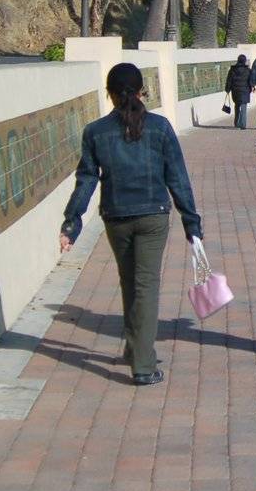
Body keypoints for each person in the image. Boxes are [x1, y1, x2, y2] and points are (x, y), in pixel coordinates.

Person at [60, 63, 202, 386]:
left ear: (109, 95)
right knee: (146, 286)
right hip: (153, 216)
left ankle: (134, 347)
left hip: (116, 216)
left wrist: (72, 222)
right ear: (141, 92)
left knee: (129, 282)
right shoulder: (160, 127)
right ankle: (143, 364)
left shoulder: (95, 132)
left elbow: (85, 181)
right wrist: (191, 222)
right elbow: (178, 178)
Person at [224, 54, 253, 130]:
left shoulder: (232, 70)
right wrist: (251, 88)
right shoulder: (248, 70)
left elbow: (229, 81)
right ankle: (243, 124)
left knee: (237, 106)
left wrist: (227, 89)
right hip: (245, 91)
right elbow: (250, 81)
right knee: (244, 107)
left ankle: (236, 123)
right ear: (244, 61)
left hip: (235, 91)